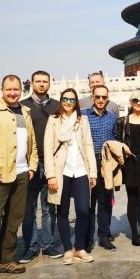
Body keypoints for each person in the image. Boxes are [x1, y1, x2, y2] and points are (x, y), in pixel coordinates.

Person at [0, 75, 38, 279]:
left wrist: (32, 166)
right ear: (2, 90)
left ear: (21, 90)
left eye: (16, 89)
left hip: (21, 173)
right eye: (9, 89)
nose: (13, 93)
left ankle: (6, 259)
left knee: (14, 218)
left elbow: (32, 143)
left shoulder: (25, 111)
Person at [44, 88, 97, 265]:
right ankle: (67, 248)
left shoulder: (83, 120)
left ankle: (79, 247)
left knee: (83, 210)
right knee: (63, 211)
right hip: (61, 171)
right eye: (65, 99)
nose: (68, 102)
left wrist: (93, 172)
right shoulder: (53, 120)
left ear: (76, 103)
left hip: (81, 170)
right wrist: (50, 175)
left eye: (72, 100)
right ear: (60, 100)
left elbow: (88, 145)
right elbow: (48, 148)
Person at [19, 70, 61, 264]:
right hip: (30, 165)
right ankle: (30, 247)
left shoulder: (57, 106)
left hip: (52, 164)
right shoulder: (23, 106)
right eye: (38, 81)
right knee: (28, 208)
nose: (42, 84)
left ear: (49, 84)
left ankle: (48, 244)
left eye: (45, 81)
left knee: (49, 208)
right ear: (32, 83)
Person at [82, 84, 118, 252]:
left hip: (106, 164)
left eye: (104, 97)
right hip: (88, 164)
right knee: (89, 203)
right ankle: (88, 238)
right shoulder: (83, 116)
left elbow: (115, 138)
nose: (101, 100)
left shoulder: (112, 117)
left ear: (108, 99)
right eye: (98, 97)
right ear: (92, 97)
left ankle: (104, 236)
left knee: (105, 202)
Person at [117, 90, 140, 246]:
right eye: (135, 100)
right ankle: (134, 233)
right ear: (130, 101)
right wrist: (123, 148)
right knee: (133, 199)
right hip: (131, 163)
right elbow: (117, 142)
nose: (138, 103)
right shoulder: (122, 121)